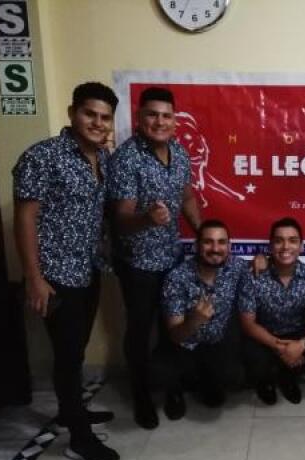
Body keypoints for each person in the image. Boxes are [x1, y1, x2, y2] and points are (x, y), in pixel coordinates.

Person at [13, 82, 120, 460]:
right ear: (73, 113)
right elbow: (25, 218)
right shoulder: (43, 156)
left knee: (75, 348)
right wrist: (34, 278)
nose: (97, 122)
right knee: (68, 354)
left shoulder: (102, 158)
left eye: (105, 117)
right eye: (90, 114)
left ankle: (70, 411)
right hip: (56, 274)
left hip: (88, 268)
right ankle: (79, 438)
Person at [107, 86, 202, 429]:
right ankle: (141, 394)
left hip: (172, 258)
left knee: (171, 325)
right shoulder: (126, 159)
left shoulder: (179, 152)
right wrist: (147, 219)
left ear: (174, 121)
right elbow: (120, 218)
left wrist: (202, 232)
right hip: (138, 264)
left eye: (166, 116)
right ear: (139, 117)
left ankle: (171, 386)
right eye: (152, 115)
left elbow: (187, 197)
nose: (160, 122)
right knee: (140, 329)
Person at [159, 219, 249, 418]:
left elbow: (263, 265)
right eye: (208, 242)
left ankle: (204, 380)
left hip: (216, 344)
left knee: (231, 381)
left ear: (229, 246)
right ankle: (176, 389)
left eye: (221, 242)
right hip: (184, 346)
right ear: (197, 245)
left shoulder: (236, 267)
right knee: (160, 372)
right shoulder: (177, 278)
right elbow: (175, 335)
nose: (215, 249)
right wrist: (194, 320)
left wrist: (262, 258)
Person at [239, 217, 305, 405]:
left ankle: (287, 376)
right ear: (271, 246)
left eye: (292, 240)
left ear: (301, 246)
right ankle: (265, 380)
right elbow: (248, 323)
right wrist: (279, 347)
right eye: (279, 240)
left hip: (297, 335)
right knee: (250, 354)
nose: (285, 246)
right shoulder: (254, 276)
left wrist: (302, 345)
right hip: (264, 336)